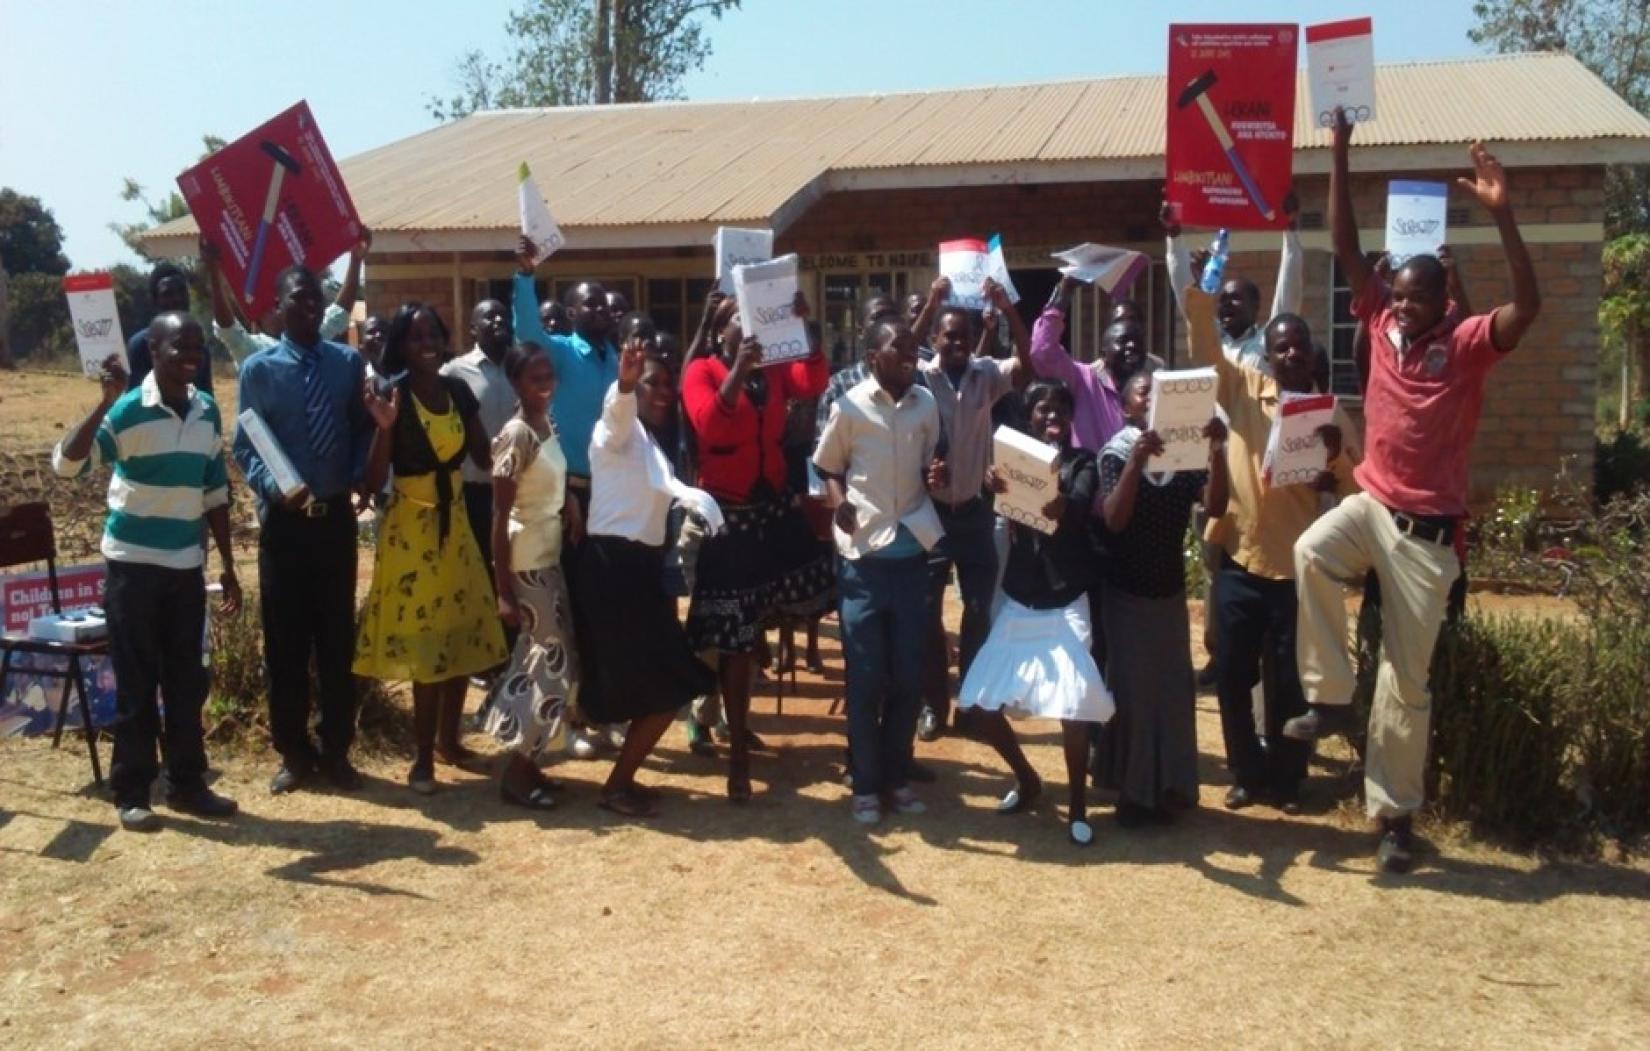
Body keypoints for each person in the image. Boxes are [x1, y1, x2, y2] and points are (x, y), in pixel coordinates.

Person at [1286, 110, 1541, 874]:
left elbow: (1527, 310)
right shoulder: (1382, 322)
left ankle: (1394, 818)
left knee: (1406, 680)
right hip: (1370, 504)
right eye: (1393, 294)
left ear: (1445, 299)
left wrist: (1505, 217)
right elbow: (1344, 245)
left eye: (1414, 297)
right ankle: (1330, 695)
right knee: (1311, 550)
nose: (1399, 306)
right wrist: (1337, 145)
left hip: (1427, 534)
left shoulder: (1464, 346)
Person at [52, 319, 243, 831]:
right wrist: (102, 403)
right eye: (180, 345)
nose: (191, 355)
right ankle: (132, 792)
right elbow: (67, 467)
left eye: (198, 348)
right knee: (137, 684)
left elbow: (213, 493)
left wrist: (226, 565)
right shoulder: (128, 408)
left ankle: (187, 783)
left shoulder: (206, 409)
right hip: (132, 569)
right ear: (153, 350)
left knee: (187, 683)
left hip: (185, 569)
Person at [1180, 278, 1359, 815]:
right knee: (1233, 674)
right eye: (1280, 346)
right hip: (1239, 557)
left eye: (1298, 346)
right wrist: (1199, 289)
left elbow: (1359, 486)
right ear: (1270, 353)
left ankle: (1287, 781)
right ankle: (1245, 774)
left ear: (1310, 355)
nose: (1290, 354)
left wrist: (1335, 468)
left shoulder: (1329, 415)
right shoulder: (1242, 389)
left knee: (1288, 683)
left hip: (1296, 570)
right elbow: (1205, 346)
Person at [682, 293, 833, 801]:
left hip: (772, 513)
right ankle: (737, 755)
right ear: (720, 330)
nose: (746, 328)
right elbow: (710, 424)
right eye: (736, 321)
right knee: (733, 637)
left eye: (752, 319)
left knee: (804, 598)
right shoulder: (701, 371)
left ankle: (736, 722)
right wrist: (736, 369)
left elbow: (812, 383)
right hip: (731, 521)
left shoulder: (772, 369)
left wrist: (802, 328)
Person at [353, 302, 507, 793]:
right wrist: (384, 427)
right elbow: (373, 481)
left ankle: (448, 741)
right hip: (411, 531)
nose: (427, 346)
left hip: (457, 524)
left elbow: (483, 455)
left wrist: (527, 434)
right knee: (425, 644)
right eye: (416, 338)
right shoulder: (389, 393)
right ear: (401, 344)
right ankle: (422, 760)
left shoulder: (458, 391)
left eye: (434, 337)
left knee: (458, 634)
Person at [234, 266, 376, 795]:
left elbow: (363, 428)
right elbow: (248, 444)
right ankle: (293, 752)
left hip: (335, 522)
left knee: (338, 641)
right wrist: (274, 489)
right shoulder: (259, 369)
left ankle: (337, 749)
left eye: (317, 297)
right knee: (286, 644)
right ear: (277, 306)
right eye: (299, 297)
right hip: (286, 527)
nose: (310, 305)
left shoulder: (347, 363)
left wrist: (361, 471)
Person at [955, 379, 1114, 845]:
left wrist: (1057, 501)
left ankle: (1078, 810)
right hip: (1022, 596)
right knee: (980, 706)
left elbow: (1078, 505)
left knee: (1073, 706)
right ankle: (1027, 779)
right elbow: (1000, 507)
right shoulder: (1012, 460)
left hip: (1066, 601)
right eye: (1043, 411)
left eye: (1060, 412)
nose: (1052, 419)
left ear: (1069, 419)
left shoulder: (1083, 462)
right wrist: (991, 486)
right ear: (1030, 418)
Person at [574, 338, 721, 816]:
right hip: (612, 570)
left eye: (665, 384)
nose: (661, 391)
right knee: (668, 684)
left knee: (658, 684)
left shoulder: (657, 444)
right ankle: (614, 784)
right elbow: (617, 413)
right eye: (650, 384)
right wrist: (625, 383)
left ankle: (621, 781)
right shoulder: (614, 431)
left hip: (642, 571)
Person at [813, 317, 947, 825]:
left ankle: (897, 777)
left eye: (913, 346)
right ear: (874, 358)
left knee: (908, 678)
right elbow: (827, 466)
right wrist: (838, 501)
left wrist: (937, 474)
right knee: (867, 679)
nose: (910, 352)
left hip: (913, 559)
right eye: (899, 346)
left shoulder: (927, 405)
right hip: (863, 563)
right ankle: (866, 785)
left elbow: (936, 463)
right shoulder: (849, 409)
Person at [1165, 200, 1300, 688]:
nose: (1227, 306)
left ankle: (1264, 652)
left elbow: (1292, 293)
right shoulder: (1211, 347)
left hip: (1262, 475)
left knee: (1265, 566)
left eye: (1238, 300)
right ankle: (1220, 652)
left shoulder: (1269, 347)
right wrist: (1175, 238)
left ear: (1258, 308)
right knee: (1216, 566)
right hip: (1216, 470)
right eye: (1223, 301)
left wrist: (1290, 236)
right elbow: (1188, 300)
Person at [1092, 373, 1229, 826]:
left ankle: (1170, 787)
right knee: (1133, 694)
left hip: (1168, 593)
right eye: (1141, 392)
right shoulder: (1115, 451)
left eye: (1157, 390)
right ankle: (1133, 796)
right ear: (1128, 407)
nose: (1150, 397)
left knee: (1171, 693)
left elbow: (1217, 507)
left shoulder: (1186, 455)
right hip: (1126, 593)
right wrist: (1136, 463)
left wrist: (1217, 451)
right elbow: (1113, 519)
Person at [917, 277, 1032, 742]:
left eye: (964, 335)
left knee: (979, 610)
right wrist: (932, 301)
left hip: (976, 514)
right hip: (933, 515)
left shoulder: (987, 373)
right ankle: (932, 705)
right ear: (936, 340)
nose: (958, 342)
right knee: (927, 613)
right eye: (949, 335)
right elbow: (903, 342)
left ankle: (970, 701)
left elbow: (1029, 362)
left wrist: (1007, 309)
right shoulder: (922, 378)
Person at [484, 343, 584, 809]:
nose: (545, 382)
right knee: (551, 664)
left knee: (545, 661)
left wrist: (571, 504)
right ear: (516, 383)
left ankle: (531, 758)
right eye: (534, 377)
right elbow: (499, 516)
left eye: (549, 374)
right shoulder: (516, 434)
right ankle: (517, 772)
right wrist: (503, 591)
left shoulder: (548, 425)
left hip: (550, 555)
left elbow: (551, 479)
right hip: (526, 562)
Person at [441, 298, 520, 700]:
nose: (498, 320)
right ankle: (484, 660)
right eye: (488, 316)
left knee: (516, 572)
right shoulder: (456, 371)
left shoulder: (519, 365)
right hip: (476, 491)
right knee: (484, 575)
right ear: (472, 329)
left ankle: (511, 656)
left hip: (521, 491)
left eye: (503, 314)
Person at [199, 232, 366, 366]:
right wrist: (214, 271)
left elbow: (340, 312)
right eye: (268, 309)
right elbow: (227, 327)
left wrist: (356, 259)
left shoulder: (311, 336)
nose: (275, 310)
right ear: (258, 321)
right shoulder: (253, 350)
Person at [125, 262, 211, 393]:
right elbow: (135, 401)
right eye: (168, 294)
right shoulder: (140, 346)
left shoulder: (199, 347)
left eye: (182, 291)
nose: (177, 298)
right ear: (155, 301)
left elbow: (206, 400)